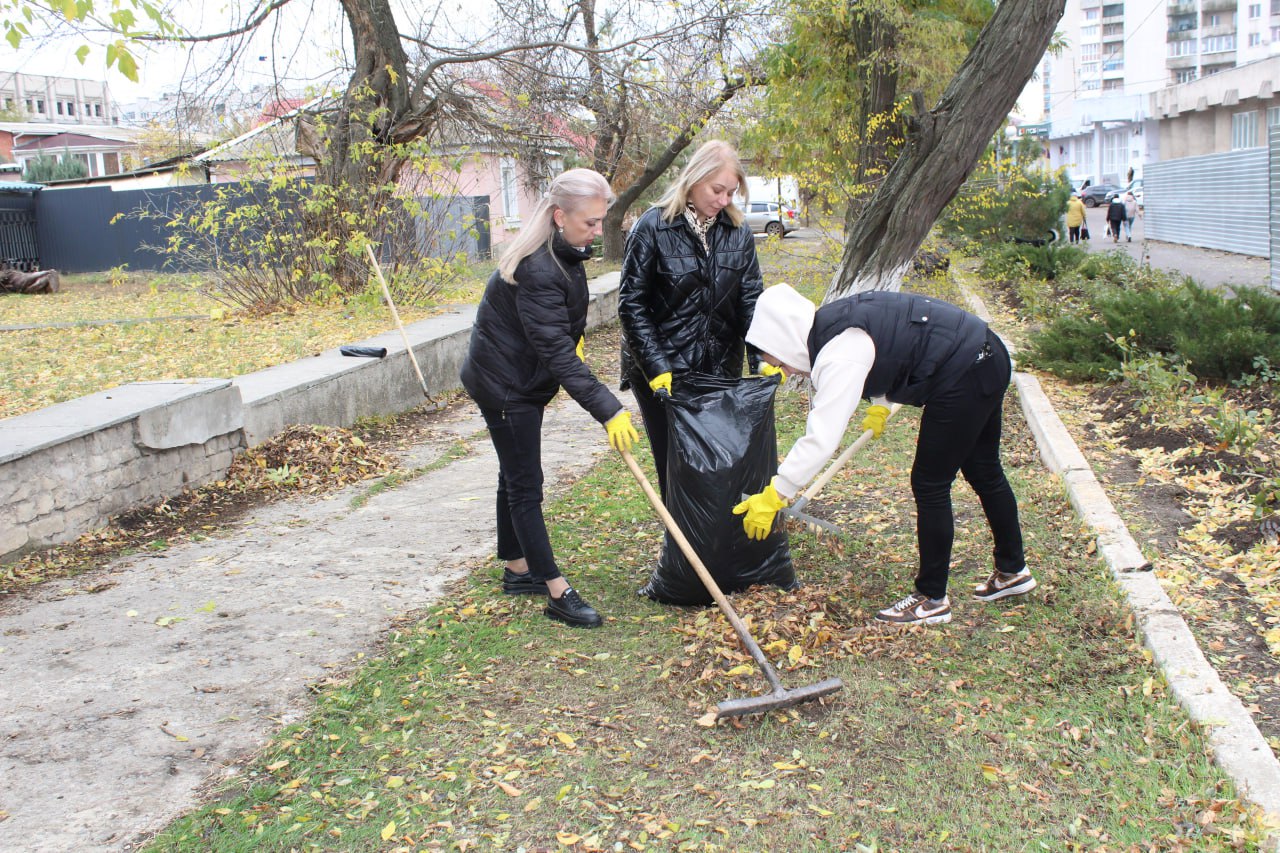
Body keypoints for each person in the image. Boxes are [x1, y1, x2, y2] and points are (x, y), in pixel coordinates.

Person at [733, 283, 1034, 627]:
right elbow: (898, 343)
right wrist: (881, 402)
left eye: (780, 363)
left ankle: (931, 598)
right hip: (984, 352)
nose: (786, 373)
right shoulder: (834, 324)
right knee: (984, 470)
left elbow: (822, 439)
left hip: (965, 369)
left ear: (786, 342)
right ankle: (1012, 571)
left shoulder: (837, 352)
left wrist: (777, 493)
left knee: (931, 483)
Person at [460, 168, 639, 629]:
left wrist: (570, 334)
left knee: (513, 471)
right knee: (525, 485)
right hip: (506, 385)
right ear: (560, 216)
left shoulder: (562, 253)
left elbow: (557, 331)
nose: (598, 232)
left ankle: (518, 569)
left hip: (517, 374)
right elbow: (558, 355)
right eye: (590, 223)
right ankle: (555, 590)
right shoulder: (538, 266)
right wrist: (609, 409)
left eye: (602, 222)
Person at [618, 140, 764, 498]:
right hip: (663, 374)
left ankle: (715, 546)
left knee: (718, 462)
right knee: (677, 466)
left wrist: (761, 359)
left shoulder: (737, 233)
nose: (724, 200)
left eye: (730, 192)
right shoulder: (653, 227)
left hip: (718, 371)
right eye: (718, 189)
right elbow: (631, 304)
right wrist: (656, 366)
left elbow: (750, 302)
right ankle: (682, 550)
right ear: (693, 179)